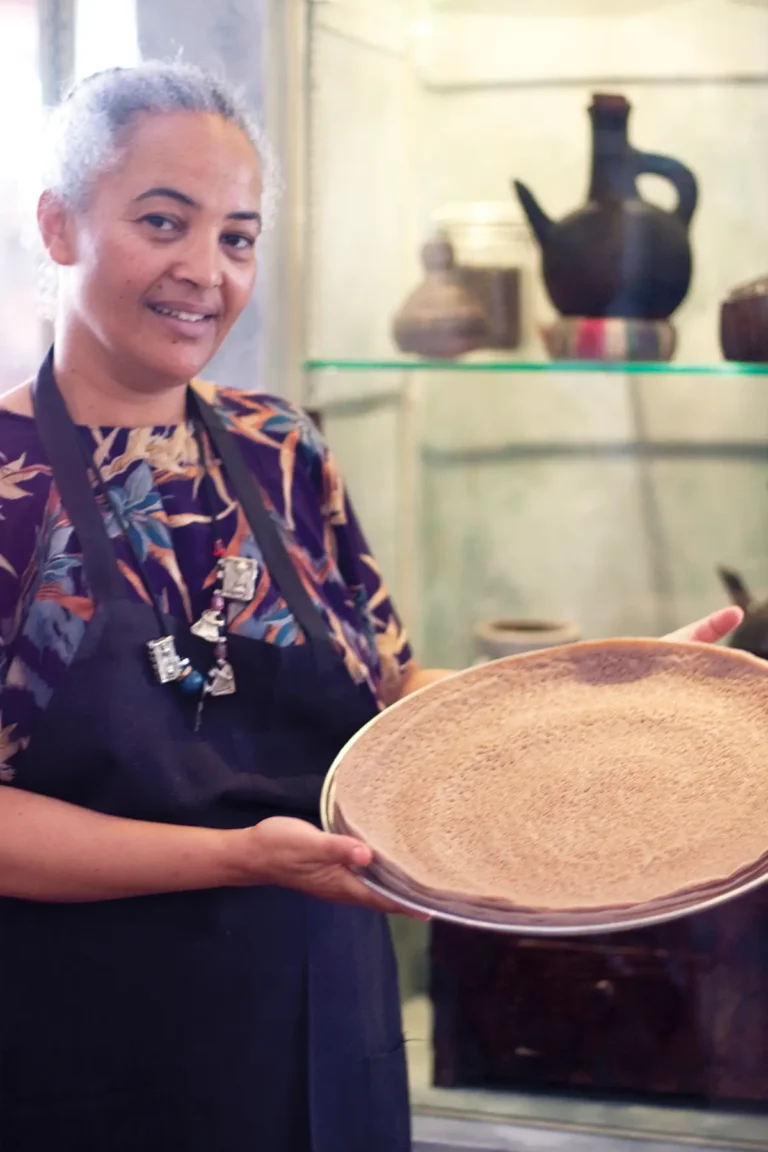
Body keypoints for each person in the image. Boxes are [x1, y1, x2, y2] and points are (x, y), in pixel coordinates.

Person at [0, 62, 741, 1152]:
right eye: (165, 222)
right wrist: (240, 856)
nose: (205, 271)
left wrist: (606, 707)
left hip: (327, 1015)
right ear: (59, 225)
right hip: (89, 1044)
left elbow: (398, 693)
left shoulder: (279, 445)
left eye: (239, 237)